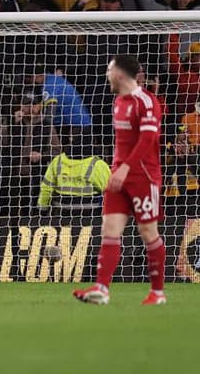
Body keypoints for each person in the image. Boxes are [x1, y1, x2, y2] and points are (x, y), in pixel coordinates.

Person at [73, 55, 166, 306]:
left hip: (143, 177)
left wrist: (125, 168)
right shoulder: (118, 102)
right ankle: (101, 289)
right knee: (109, 229)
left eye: (109, 70)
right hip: (118, 176)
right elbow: (122, 144)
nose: (107, 75)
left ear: (120, 74)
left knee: (148, 232)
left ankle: (157, 293)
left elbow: (147, 141)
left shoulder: (146, 101)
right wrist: (117, 169)